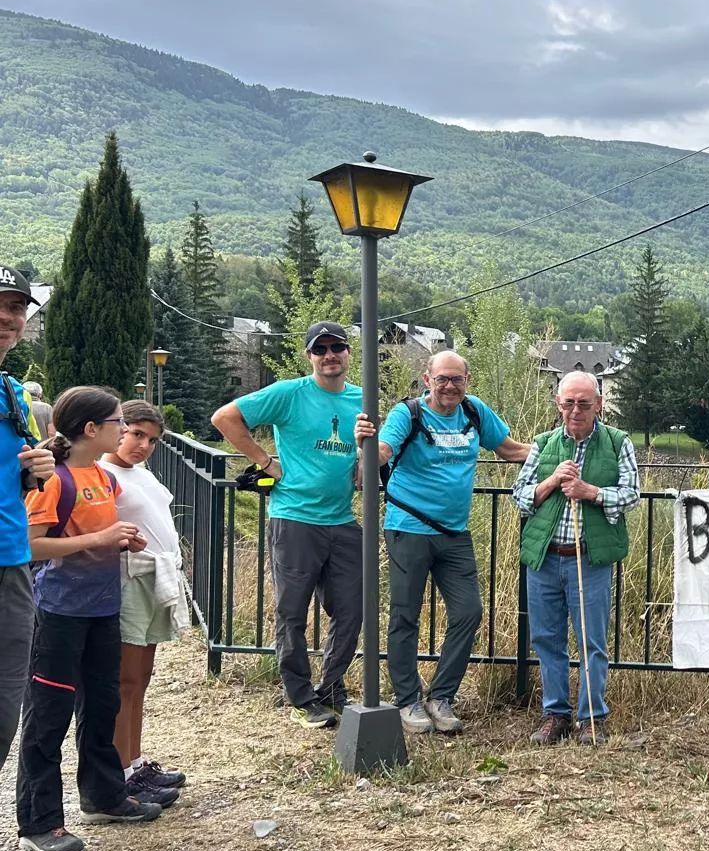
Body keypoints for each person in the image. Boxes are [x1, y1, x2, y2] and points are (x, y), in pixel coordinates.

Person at [17, 387, 162, 851]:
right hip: (59, 612)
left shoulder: (103, 476)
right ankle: (39, 822)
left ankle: (104, 797)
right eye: (119, 422)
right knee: (48, 714)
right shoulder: (54, 480)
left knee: (101, 704)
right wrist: (101, 537)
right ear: (91, 429)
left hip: (102, 608)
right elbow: (33, 546)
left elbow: (94, 537)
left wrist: (123, 542)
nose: (124, 430)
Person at [356, 350, 527, 736]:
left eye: (457, 379)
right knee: (405, 614)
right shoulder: (409, 414)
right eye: (442, 379)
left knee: (469, 611)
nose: (449, 386)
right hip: (408, 528)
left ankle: (441, 696)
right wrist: (369, 448)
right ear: (427, 379)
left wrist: (562, 451)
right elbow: (384, 450)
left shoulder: (474, 412)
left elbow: (511, 450)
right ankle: (408, 699)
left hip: (454, 534)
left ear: (468, 381)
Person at [212, 322, 362, 730]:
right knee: (292, 611)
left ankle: (331, 686)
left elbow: (366, 446)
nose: (330, 355)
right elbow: (225, 418)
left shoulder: (360, 399)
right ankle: (300, 695)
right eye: (321, 349)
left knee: (352, 609)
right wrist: (264, 461)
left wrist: (364, 463)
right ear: (309, 356)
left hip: (343, 520)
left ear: (349, 353)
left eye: (338, 347)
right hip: (295, 517)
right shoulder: (289, 393)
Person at [511, 371, 639, 745]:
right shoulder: (543, 443)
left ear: (598, 405)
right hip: (545, 559)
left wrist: (591, 491)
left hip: (590, 559)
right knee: (547, 640)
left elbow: (631, 494)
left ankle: (591, 719)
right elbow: (520, 497)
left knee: (591, 643)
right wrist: (551, 481)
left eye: (584, 403)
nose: (576, 410)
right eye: (569, 403)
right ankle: (556, 715)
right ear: (558, 404)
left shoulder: (617, 443)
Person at [102, 399, 191, 800]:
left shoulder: (138, 470)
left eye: (152, 439)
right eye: (136, 434)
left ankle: (135, 761)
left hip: (156, 576)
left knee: (142, 678)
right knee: (126, 680)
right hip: (130, 577)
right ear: (117, 428)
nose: (143, 445)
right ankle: (119, 771)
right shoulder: (102, 472)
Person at [0, 268, 56, 851]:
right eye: (1, 305)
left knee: (2, 712)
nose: (10, 316)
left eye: (17, 306)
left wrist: (31, 471)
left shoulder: (12, 393)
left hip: (12, 562)